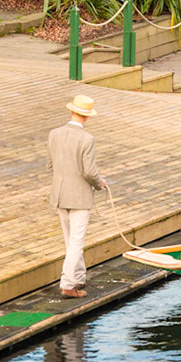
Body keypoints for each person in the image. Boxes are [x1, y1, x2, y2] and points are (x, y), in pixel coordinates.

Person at [47, 94, 108, 298]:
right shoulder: (87, 139)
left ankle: (79, 276)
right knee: (76, 241)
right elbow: (89, 172)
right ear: (87, 116)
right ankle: (67, 284)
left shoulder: (54, 133)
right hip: (79, 197)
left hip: (59, 194)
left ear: (72, 111)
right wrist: (100, 184)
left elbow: (50, 165)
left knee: (70, 240)